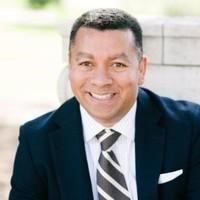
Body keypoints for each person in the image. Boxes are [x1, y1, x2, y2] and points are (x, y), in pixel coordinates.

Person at [9, 8, 200, 200]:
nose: (101, 81)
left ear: (141, 69)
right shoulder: (36, 141)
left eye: (117, 64)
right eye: (86, 63)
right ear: (70, 67)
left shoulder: (191, 128)